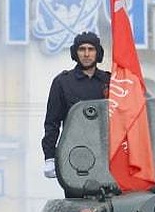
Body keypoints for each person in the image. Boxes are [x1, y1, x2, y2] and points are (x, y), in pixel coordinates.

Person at [42, 31, 111, 177]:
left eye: (91, 49)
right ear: (75, 53)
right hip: (75, 154)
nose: (86, 54)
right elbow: (52, 122)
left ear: (98, 53)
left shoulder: (110, 81)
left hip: (107, 153)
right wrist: (50, 156)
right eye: (82, 49)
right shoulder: (63, 82)